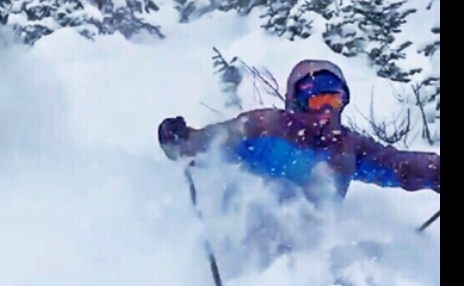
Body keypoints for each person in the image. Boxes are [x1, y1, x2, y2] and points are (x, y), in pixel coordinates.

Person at [158, 58, 440, 204]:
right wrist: (180, 139)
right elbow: (207, 144)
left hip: (316, 244)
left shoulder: (346, 146)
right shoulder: (263, 127)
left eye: (334, 101)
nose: (326, 111)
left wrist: (435, 171)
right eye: (317, 101)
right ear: (296, 101)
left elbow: (397, 165)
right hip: (251, 231)